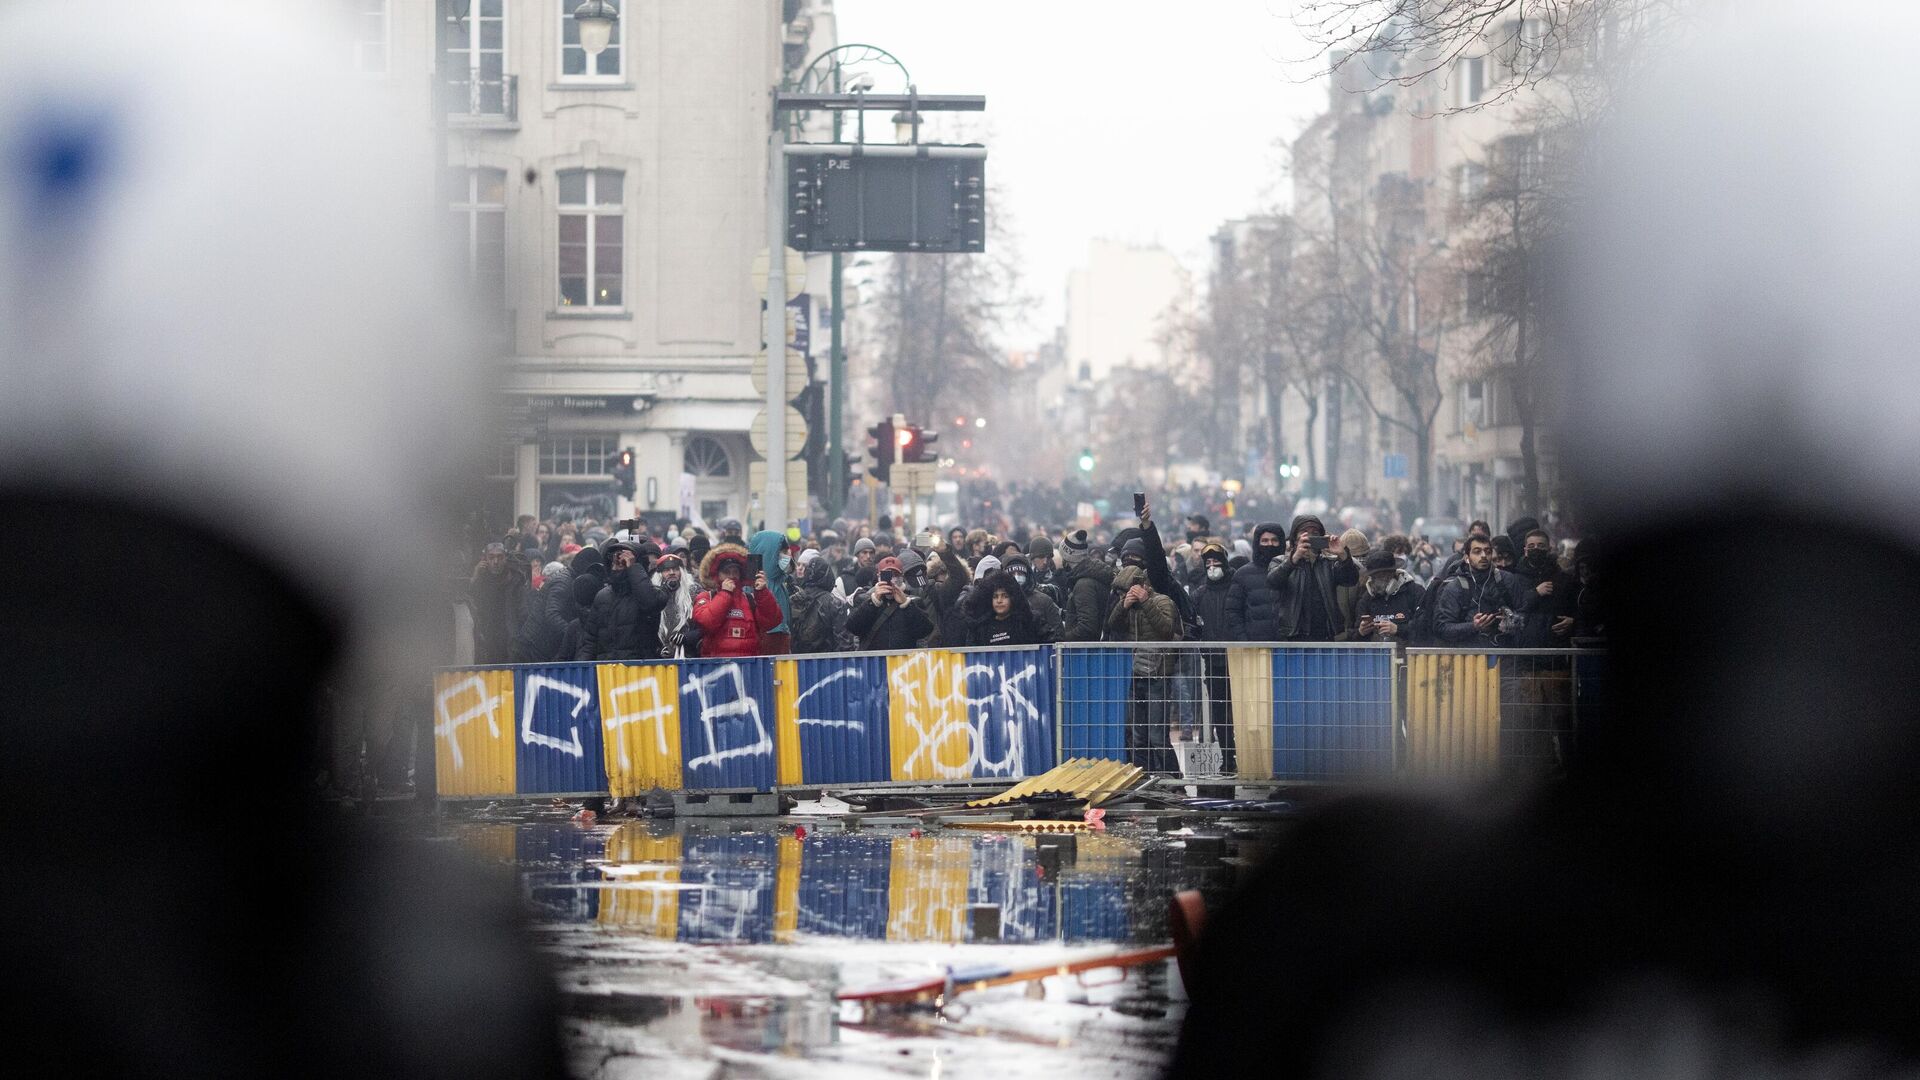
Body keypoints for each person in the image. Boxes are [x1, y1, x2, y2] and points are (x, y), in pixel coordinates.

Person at [1106, 564, 1180, 773]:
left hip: (1158, 675)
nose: (1126, 594)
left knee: (1157, 735)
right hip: (1136, 675)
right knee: (1138, 735)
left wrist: (1146, 602)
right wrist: (1123, 606)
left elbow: (1167, 631)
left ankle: (1173, 779)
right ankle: (1144, 778)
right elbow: (1112, 625)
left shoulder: (1162, 601)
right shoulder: (1129, 606)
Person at [1263, 517, 1361, 642]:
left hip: (1324, 634)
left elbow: (1350, 580)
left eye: (1315, 534)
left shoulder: (1328, 562)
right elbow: (1273, 582)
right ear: (1295, 538)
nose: (1310, 537)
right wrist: (1293, 559)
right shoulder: (1280, 561)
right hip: (1293, 634)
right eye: (1305, 533)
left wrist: (1343, 555)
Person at [1187, 541, 1238, 771]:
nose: (1212, 565)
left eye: (1216, 561)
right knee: (1220, 714)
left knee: (1241, 711)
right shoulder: (1200, 593)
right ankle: (1227, 759)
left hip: (1238, 660)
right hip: (1213, 661)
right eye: (1208, 562)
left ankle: (1244, 756)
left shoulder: (1236, 588)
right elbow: (1192, 624)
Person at [576, 541, 668, 661]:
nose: (617, 565)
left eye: (622, 562)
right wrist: (583, 670)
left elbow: (649, 603)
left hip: (640, 670)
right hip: (607, 670)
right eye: (614, 560)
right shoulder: (602, 596)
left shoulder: (655, 593)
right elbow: (590, 640)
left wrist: (633, 566)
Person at [690, 543, 780, 657]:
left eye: (735, 572)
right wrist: (725, 594)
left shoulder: (750, 599)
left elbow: (771, 622)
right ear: (717, 575)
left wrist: (762, 593)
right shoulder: (706, 597)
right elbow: (706, 623)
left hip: (749, 666)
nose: (732, 576)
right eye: (726, 572)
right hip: (714, 667)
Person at [1435, 533, 1523, 646]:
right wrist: (1473, 626)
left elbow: (1524, 612)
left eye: (1488, 551)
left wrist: (1513, 621)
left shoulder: (1507, 580)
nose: (1483, 556)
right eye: (1477, 551)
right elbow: (1442, 627)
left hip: (1504, 653)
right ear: (1467, 558)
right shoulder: (1455, 587)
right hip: (1468, 657)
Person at [847, 555, 934, 650]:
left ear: (902, 577)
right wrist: (873, 602)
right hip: (874, 662)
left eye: (896, 575)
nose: (892, 579)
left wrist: (906, 604)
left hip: (903, 662)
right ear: (879, 577)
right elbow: (853, 628)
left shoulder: (914, 600)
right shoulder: (865, 599)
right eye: (887, 575)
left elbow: (925, 630)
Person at [1223, 522, 1288, 642]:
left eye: (1274, 540)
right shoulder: (1243, 574)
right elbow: (1233, 611)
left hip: (1287, 646)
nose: (1270, 544)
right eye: (1265, 541)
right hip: (1255, 647)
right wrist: (1244, 640)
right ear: (1257, 543)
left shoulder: (1292, 571)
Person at [467, 541, 525, 665]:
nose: (496, 562)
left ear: (505, 558)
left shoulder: (516, 579)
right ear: (485, 559)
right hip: (486, 636)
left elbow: (522, 611)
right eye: (491, 557)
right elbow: (470, 599)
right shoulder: (481, 580)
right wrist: (475, 576)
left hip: (509, 637)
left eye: (499, 557)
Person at [1353, 549, 1424, 643]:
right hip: (1377, 654)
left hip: (1407, 653)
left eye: (1382, 575)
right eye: (1374, 576)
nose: (1378, 580)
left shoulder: (1414, 592)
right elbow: (1355, 635)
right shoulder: (1366, 598)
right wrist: (1360, 632)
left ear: (1393, 573)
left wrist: (1398, 629)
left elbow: (1425, 628)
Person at [786, 551, 849, 654]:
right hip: (829, 664)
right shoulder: (834, 603)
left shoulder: (794, 600)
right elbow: (844, 642)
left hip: (796, 664)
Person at [963, 570, 1046, 647]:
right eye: (995, 597)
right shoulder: (980, 627)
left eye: (1005, 596)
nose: (999, 601)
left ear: (1013, 598)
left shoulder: (1029, 621)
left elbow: (1051, 645)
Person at [1059, 529, 1115, 642]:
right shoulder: (1093, 576)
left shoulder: (1084, 585)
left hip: (1086, 654)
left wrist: (1062, 640)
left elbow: (1087, 628)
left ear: (1067, 558)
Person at [747, 529, 796, 654]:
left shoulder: (780, 584)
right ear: (769, 553)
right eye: (783, 552)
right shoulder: (754, 587)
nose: (787, 555)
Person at [1001, 553, 1062, 640]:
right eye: (1012, 574)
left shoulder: (1044, 601)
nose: (1016, 577)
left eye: (1020, 573)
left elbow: (1058, 635)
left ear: (1028, 575)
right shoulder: (998, 603)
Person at [653, 553, 700, 659]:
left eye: (675, 569)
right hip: (660, 661)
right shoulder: (652, 596)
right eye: (667, 570)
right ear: (660, 574)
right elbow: (645, 629)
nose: (672, 573)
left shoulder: (694, 592)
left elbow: (703, 627)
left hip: (689, 656)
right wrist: (657, 649)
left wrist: (687, 637)